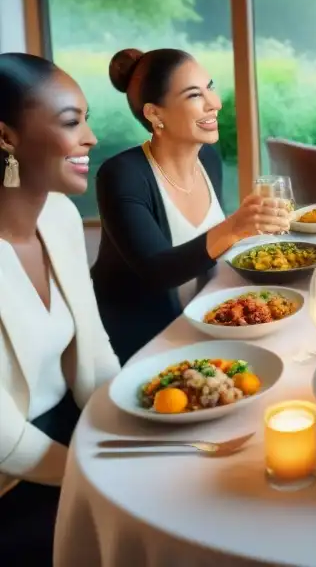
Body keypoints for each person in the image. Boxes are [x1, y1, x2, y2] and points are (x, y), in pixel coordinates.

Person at [92, 48, 290, 361]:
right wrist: (235, 227)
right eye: (194, 95)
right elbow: (158, 271)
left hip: (206, 323)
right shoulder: (122, 175)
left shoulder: (207, 158)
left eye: (209, 88)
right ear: (155, 114)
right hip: (143, 343)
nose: (215, 103)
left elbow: (208, 253)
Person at [0, 52, 121, 564]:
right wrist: (92, 473)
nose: (90, 137)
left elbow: (93, 356)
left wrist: (133, 424)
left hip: (73, 434)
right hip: (14, 479)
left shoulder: (62, 217)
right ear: (6, 137)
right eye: (72, 122)